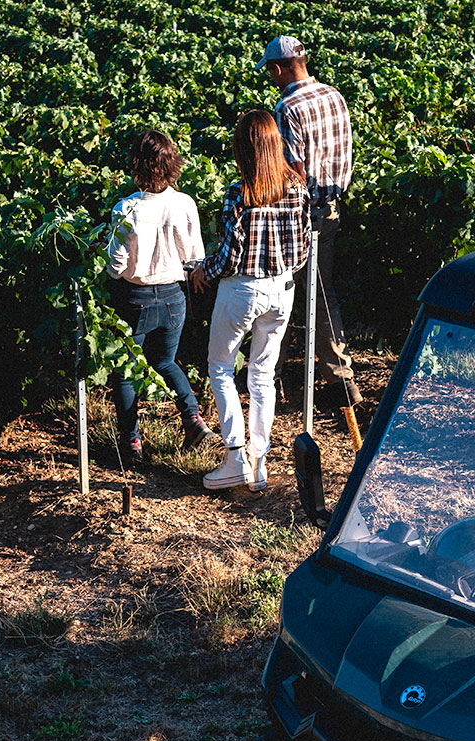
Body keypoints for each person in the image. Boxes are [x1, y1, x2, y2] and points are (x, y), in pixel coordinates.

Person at [188, 110, 311, 492]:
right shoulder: (297, 187)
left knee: (221, 367)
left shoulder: (239, 193)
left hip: (242, 289)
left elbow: (228, 257)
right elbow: (305, 248)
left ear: (243, 149)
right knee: (262, 374)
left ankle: (235, 457)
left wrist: (201, 271)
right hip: (283, 288)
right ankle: (258, 462)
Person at [260, 34, 361, 410]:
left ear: (278, 68)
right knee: (321, 290)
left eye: (270, 71)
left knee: (283, 288)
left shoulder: (288, 107)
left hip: (304, 214)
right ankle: (337, 377)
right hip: (332, 207)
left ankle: (273, 373)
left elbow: (296, 169)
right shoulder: (334, 95)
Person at [103, 130, 212, 464]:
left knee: (125, 370)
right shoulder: (184, 204)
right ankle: (193, 419)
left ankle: (132, 441)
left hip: (135, 298)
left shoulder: (127, 208)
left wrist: (105, 272)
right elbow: (194, 255)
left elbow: (117, 265)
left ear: (137, 165)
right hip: (173, 297)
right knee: (165, 361)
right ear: (172, 164)